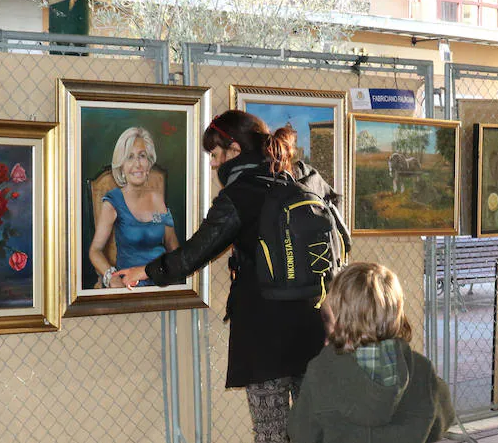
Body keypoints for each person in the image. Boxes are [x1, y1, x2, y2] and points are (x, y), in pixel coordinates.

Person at [115, 111, 343, 443]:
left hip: (264, 330)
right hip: (315, 321)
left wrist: (147, 270)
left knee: (271, 431)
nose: (212, 164)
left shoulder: (240, 193)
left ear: (234, 148)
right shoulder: (304, 177)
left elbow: (195, 252)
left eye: (215, 154)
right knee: (319, 428)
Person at [288, 262, 455, 443]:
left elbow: (300, 433)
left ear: (341, 320)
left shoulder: (321, 371)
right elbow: (442, 420)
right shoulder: (422, 371)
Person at [89, 127, 178, 288]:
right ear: (121, 166)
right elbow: (95, 250)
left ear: (149, 163)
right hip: (130, 286)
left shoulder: (158, 199)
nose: (137, 164)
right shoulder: (112, 201)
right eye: (130, 157)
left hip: (162, 284)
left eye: (142, 156)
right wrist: (111, 277)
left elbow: (173, 246)